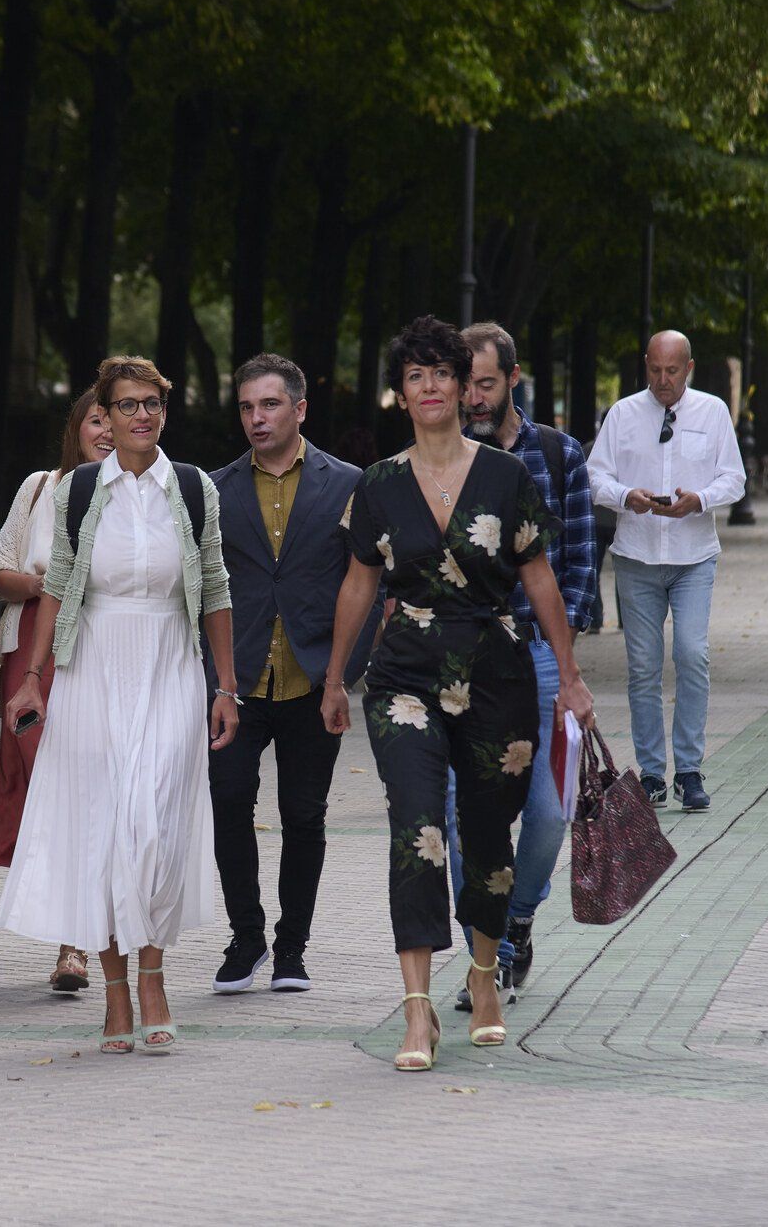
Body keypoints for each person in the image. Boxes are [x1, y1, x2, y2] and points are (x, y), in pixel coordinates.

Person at [320, 316, 596, 1073]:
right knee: (417, 829)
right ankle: (416, 1013)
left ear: (462, 385)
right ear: (400, 393)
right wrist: (336, 680)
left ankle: (483, 978)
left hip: (497, 668)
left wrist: (569, 678)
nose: (432, 386)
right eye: (416, 375)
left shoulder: (507, 477)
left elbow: (539, 578)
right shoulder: (376, 485)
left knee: (486, 831)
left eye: (443, 372)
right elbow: (357, 583)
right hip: (404, 674)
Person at [0, 356, 241, 1055]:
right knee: (103, 830)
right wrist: (32, 677)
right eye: (125, 406)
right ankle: (114, 993)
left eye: (152, 404)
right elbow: (57, 587)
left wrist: (226, 687)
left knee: (155, 826)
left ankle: (155, 973)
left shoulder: (192, 488)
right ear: (101, 415)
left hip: (170, 666)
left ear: (166, 410)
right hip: (92, 669)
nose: (140, 416)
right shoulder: (76, 490)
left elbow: (217, 588)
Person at [207, 354, 375, 995]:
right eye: (247, 407)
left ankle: (291, 950)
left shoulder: (348, 483)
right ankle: (245, 936)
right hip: (235, 681)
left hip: (313, 678)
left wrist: (342, 677)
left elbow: (364, 580)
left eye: (269, 405)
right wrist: (212, 674)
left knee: (305, 814)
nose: (257, 418)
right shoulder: (213, 487)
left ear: (299, 409)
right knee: (228, 804)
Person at [451, 321, 598, 1009]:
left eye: (485, 382)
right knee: (463, 818)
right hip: (465, 656)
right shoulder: (445, 455)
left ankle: (519, 915)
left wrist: (563, 657)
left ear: (513, 378)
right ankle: (487, 953)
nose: (472, 396)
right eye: (464, 382)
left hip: (537, 654)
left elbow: (576, 566)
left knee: (545, 814)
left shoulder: (557, 453)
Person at [0, 388, 114, 995]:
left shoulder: (142, 493)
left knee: (88, 791)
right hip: (32, 653)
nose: (108, 430)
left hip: (103, 652)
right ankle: (71, 930)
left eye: (119, 418)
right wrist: (46, 586)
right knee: (46, 790)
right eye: (96, 419)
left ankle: (75, 946)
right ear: (77, 427)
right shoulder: (40, 486)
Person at [587, 330, 748, 814]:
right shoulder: (622, 414)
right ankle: (653, 774)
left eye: (672, 371)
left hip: (694, 555)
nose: (662, 380)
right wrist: (625, 497)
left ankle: (691, 770)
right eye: (655, 370)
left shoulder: (713, 412)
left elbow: (734, 478)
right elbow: (595, 476)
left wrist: (700, 499)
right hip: (636, 555)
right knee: (642, 666)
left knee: (692, 655)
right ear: (645, 366)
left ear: (689, 368)